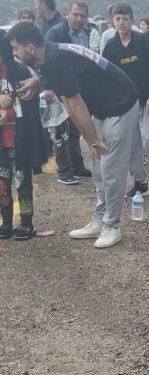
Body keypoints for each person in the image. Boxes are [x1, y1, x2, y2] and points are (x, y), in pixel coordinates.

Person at [8, 22, 140, 248]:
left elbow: (76, 104)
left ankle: (112, 225)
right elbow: (67, 102)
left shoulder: (55, 60)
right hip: (102, 106)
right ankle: (100, 219)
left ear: (30, 47)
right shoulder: (48, 56)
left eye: (15, 49)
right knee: (98, 167)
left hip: (120, 103)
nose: (14, 54)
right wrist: (90, 140)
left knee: (110, 168)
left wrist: (93, 141)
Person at [103, 3, 149, 199]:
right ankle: (140, 183)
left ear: (131, 20)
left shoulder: (141, 41)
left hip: (147, 100)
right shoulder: (111, 45)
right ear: (112, 22)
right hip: (126, 103)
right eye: (118, 19)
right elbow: (106, 73)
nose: (121, 22)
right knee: (132, 143)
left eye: (125, 18)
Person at [0, 30, 48, 239]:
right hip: (1, 142)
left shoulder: (19, 71)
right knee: (2, 183)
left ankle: (27, 223)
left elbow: (29, 103)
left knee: (22, 182)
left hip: (19, 139)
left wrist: (8, 108)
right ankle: (6, 222)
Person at [44, 1, 94, 184]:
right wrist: (47, 86)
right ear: (67, 14)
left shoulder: (84, 34)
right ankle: (63, 170)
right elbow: (44, 60)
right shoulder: (56, 33)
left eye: (82, 16)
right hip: (58, 89)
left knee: (75, 130)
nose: (79, 19)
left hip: (77, 89)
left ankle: (77, 167)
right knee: (60, 131)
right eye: (75, 15)